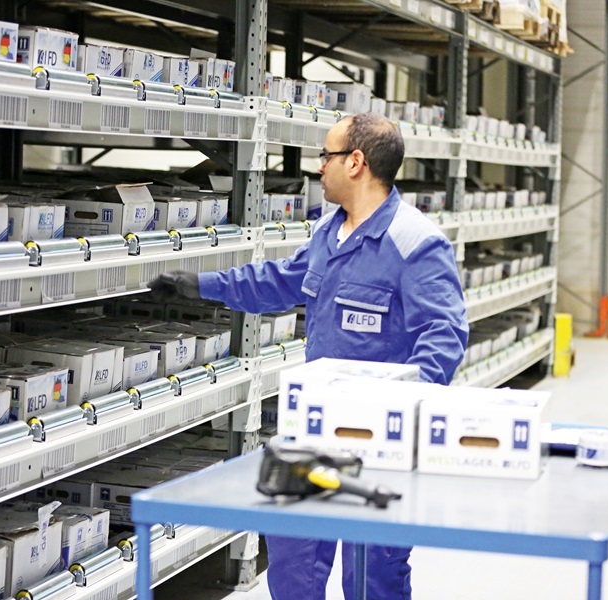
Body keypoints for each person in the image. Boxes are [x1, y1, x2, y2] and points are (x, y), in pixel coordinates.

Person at [150, 112, 468, 600]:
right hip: (315, 426)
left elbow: (444, 334)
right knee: (293, 562)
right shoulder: (327, 232)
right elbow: (278, 281)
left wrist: (402, 410)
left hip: (379, 439)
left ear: (356, 162)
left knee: (374, 576)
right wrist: (200, 286)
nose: (319, 166)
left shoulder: (415, 242)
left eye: (326, 155)